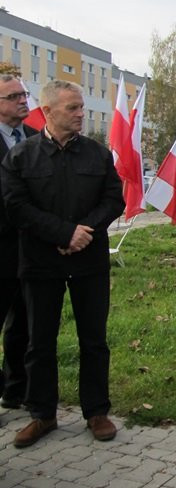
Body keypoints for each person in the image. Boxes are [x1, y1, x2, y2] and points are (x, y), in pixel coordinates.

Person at [1, 80, 124, 447]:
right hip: (41, 263)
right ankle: (42, 414)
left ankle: (96, 411)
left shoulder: (97, 154)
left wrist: (83, 233)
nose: (81, 114)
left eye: (81, 107)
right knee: (39, 342)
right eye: (72, 108)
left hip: (89, 263)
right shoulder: (22, 156)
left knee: (94, 340)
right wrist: (63, 234)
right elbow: (16, 206)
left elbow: (113, 199)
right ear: (49, 111)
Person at [0, 75, 37, 414]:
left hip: (29, 249)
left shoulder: (35, 138)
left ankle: (15, 391)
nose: (23, 100)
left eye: (24, 94)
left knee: (23, 324)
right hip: (0, 247)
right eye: (13, 96)